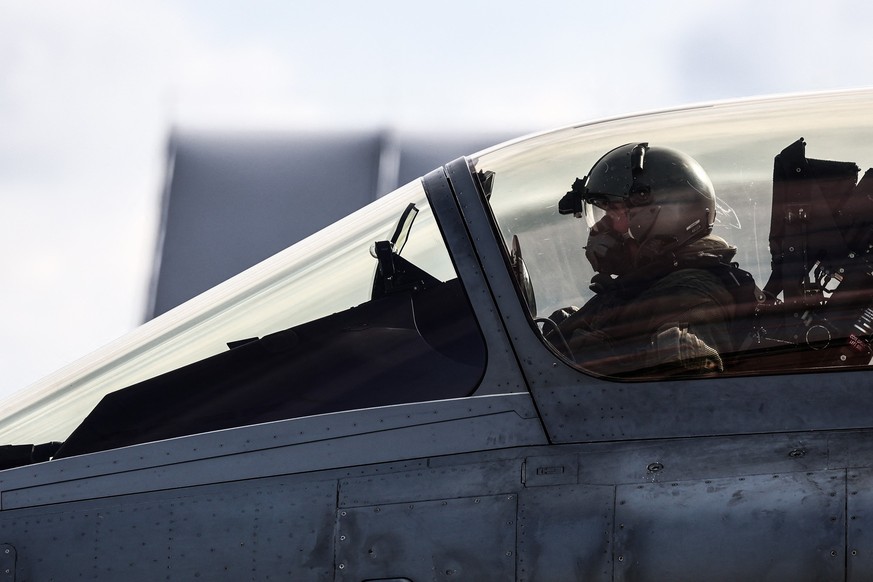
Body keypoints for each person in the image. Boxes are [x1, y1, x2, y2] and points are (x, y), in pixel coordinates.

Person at [552, 142, 752, 377]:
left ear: (665, 216)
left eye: (614, 213)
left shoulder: (687, 295)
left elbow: (689, 396)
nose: (600, 227)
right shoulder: (642, 288)